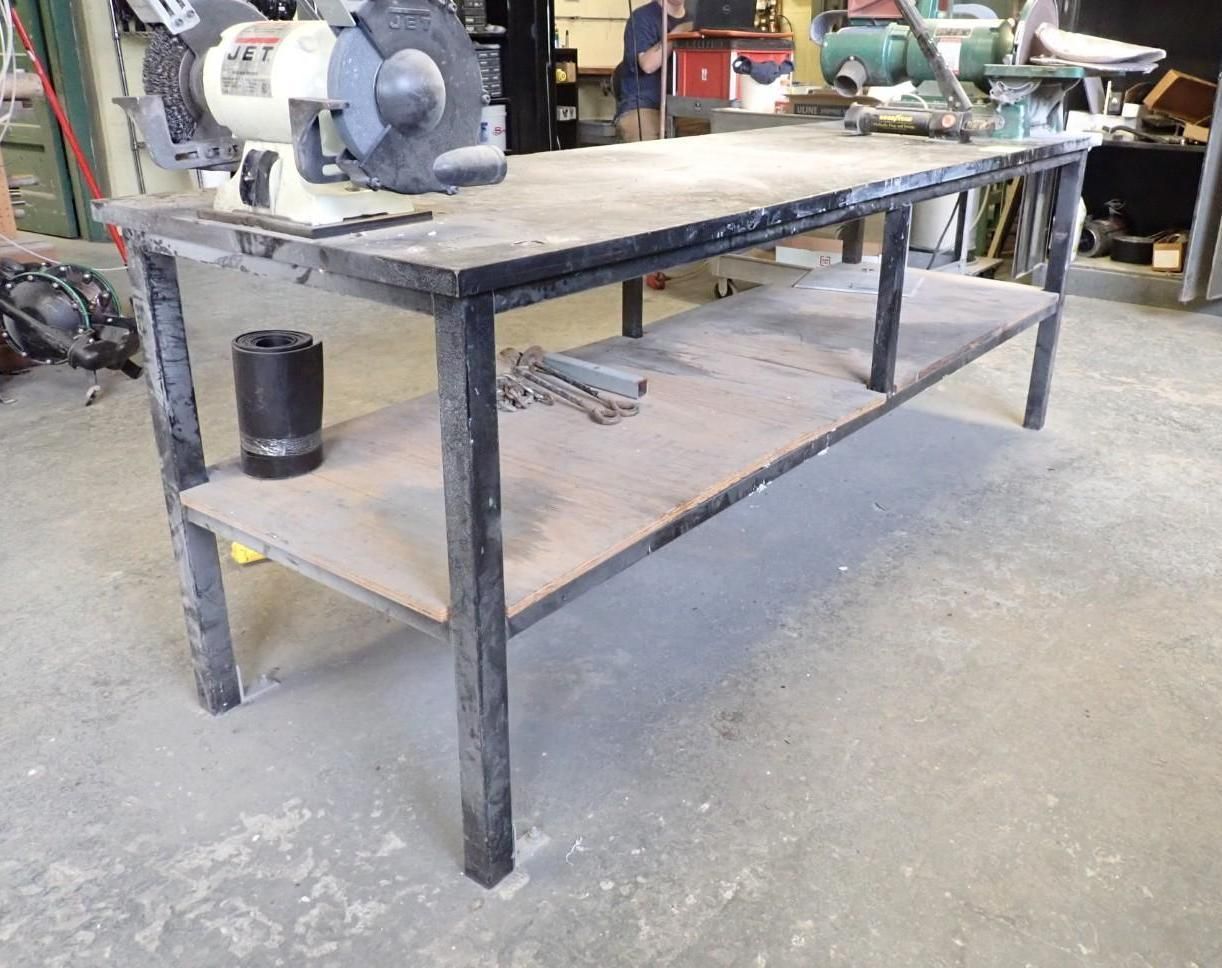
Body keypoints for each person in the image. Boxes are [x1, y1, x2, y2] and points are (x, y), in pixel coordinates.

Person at [614, 0, 690, 142]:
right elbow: (648, 65)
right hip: (643, 106)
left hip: (684, 108)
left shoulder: (695, 21)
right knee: (648, 153)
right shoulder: (641, 18)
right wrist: (678, 33)